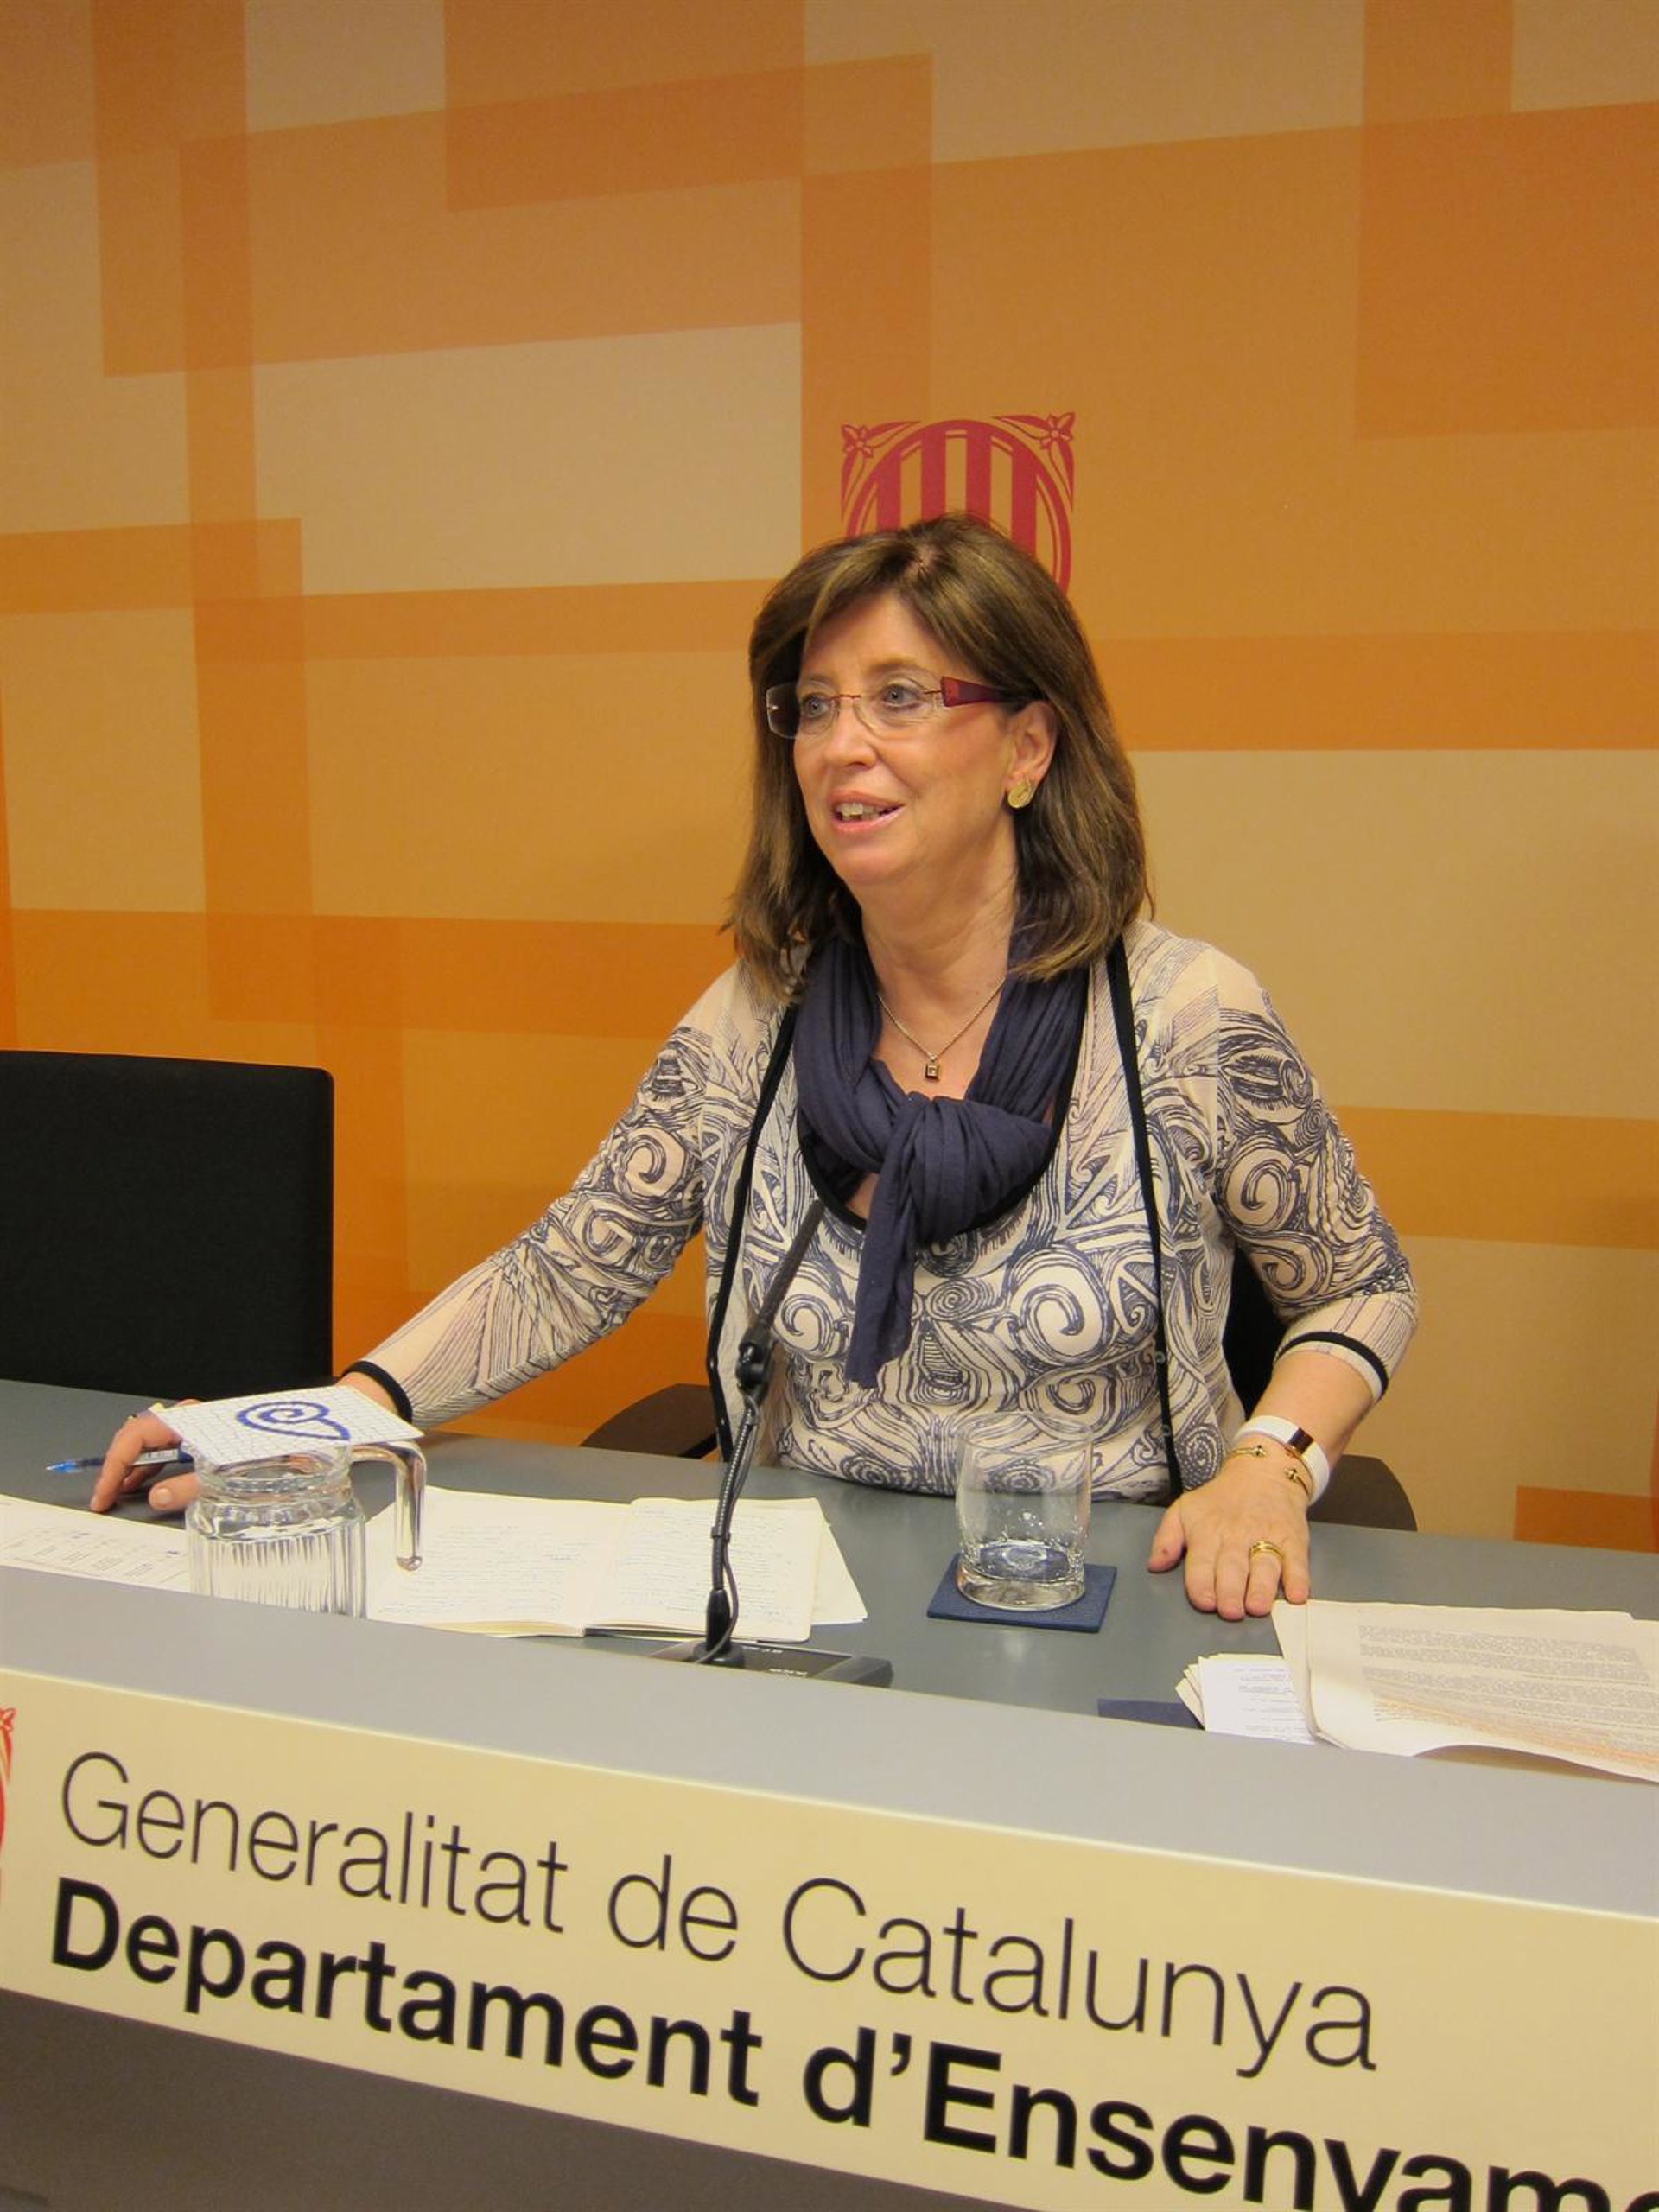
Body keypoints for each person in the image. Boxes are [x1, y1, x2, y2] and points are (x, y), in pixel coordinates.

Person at [93, 513, 1416, 1619]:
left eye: (901, 697)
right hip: (797, 1594)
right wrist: (323, 1423)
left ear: (1028, 746)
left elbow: (1362, 1288)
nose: (843, 744)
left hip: (1102, 1592)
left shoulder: (1184, 1018)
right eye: (815, 707)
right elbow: (564, 1273)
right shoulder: (753, 1024)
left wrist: (1271, 1463)